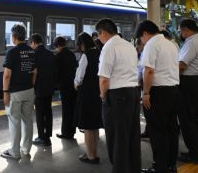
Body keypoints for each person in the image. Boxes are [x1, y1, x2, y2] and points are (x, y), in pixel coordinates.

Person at [96, 18, 141, 173]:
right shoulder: (128, 45)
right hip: (133, 93)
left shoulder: (108, 48)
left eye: (99, 35)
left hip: (117, 96)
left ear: (103, 33)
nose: (99, 39)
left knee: (117, 137)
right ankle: (133, 168)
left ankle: (120, 169)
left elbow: (104, 79)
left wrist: (103, 96)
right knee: (132, 134)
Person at [136, 20, 180, 173]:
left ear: (145, 33)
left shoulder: (151, 44)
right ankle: (170, 164)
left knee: (157, 131)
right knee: (171, 129)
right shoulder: (171, 44)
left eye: (141, 38)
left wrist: (146, 93)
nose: (142, 41)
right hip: (173, 90)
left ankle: (159, 167)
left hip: (158, 92)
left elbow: (149, 71)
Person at [177, 19, 198, 164]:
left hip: (189, 85)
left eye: (181, 31)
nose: (181, 34)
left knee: (187, 121)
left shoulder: (191, 42)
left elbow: (182, 65)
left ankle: (195, 155)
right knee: (195, 120)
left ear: (186, 30)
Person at [1, 24, 37, 160]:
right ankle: (26, 149)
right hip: (29, 90)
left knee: (14, 121)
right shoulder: (31, 51)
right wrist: (31, 86)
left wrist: (5, 92)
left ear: (14, 37)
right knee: (27, 120)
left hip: (15, 93)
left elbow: (7, 75)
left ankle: (15, 152)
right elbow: (35, 72)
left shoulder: (12, 52)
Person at [74, 32, 102, 164]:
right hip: (98, 93)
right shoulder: (99, 52)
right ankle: (94, 152)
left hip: (87, 95)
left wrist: (75, 84)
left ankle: (91, 155)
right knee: (95, 126)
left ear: (83, 44)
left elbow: (79, 77)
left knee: (87, 127)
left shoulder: (86, 56)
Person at [30, 33, 56, 147]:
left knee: (40, 114)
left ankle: (41, 137)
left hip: (39, 89)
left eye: (31, 43)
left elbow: (33, 72)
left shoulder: (34, 54)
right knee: (48, 112)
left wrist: (32, 86)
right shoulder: (51, 54)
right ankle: (48, 135)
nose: (31, 46)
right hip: (49, 88)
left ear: (34, 42)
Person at [53, 36, 78, 140]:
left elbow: (56, 72)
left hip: (64, 86)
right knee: (71, 108)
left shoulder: (58, 56)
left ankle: (66, 133)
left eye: (55, 47)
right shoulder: (71, 54)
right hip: (73, 85)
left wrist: (55, 85)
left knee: (66, 110)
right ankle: (72, 131)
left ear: (58, 46)